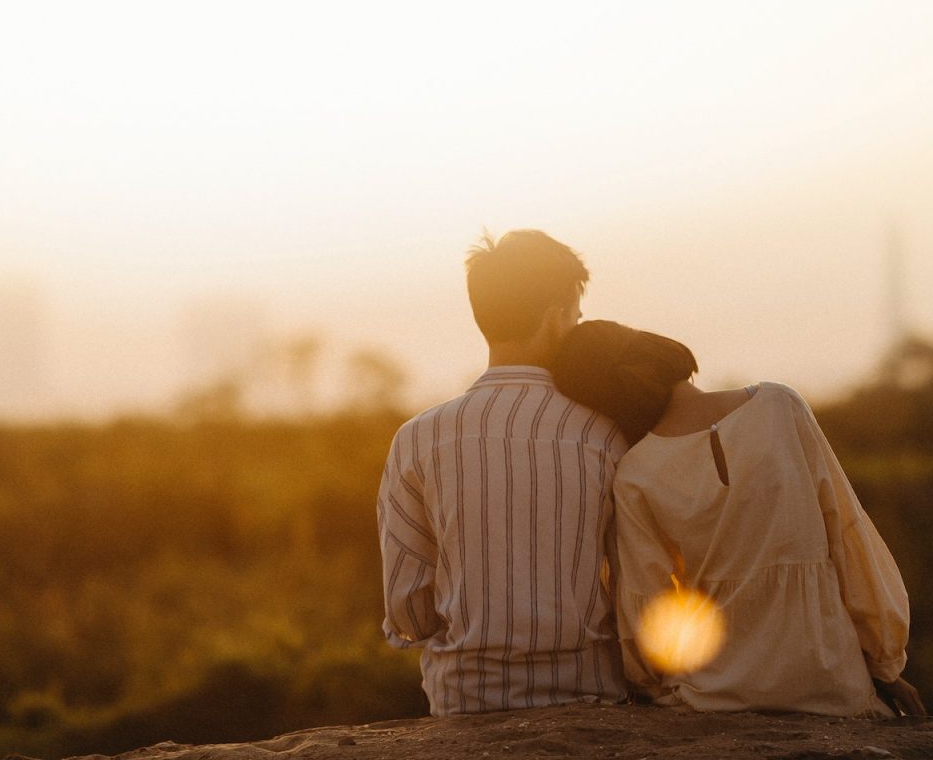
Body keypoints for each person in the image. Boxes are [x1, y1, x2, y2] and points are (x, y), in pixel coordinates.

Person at [551, 319, 926, 718]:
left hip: (713, 694)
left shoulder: (634, 474)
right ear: (654, 347)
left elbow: (648, 607)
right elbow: (849, 537)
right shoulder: (781, 406)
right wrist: (884, 664)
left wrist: (649, 684)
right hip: (830, 682)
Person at [377, 231, 628, 716]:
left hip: (466, 700)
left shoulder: (418, 438)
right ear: (557, 317)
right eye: (575, 316)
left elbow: (407, 608)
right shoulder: (605, 434)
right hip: (590, 696)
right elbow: (634, 584)